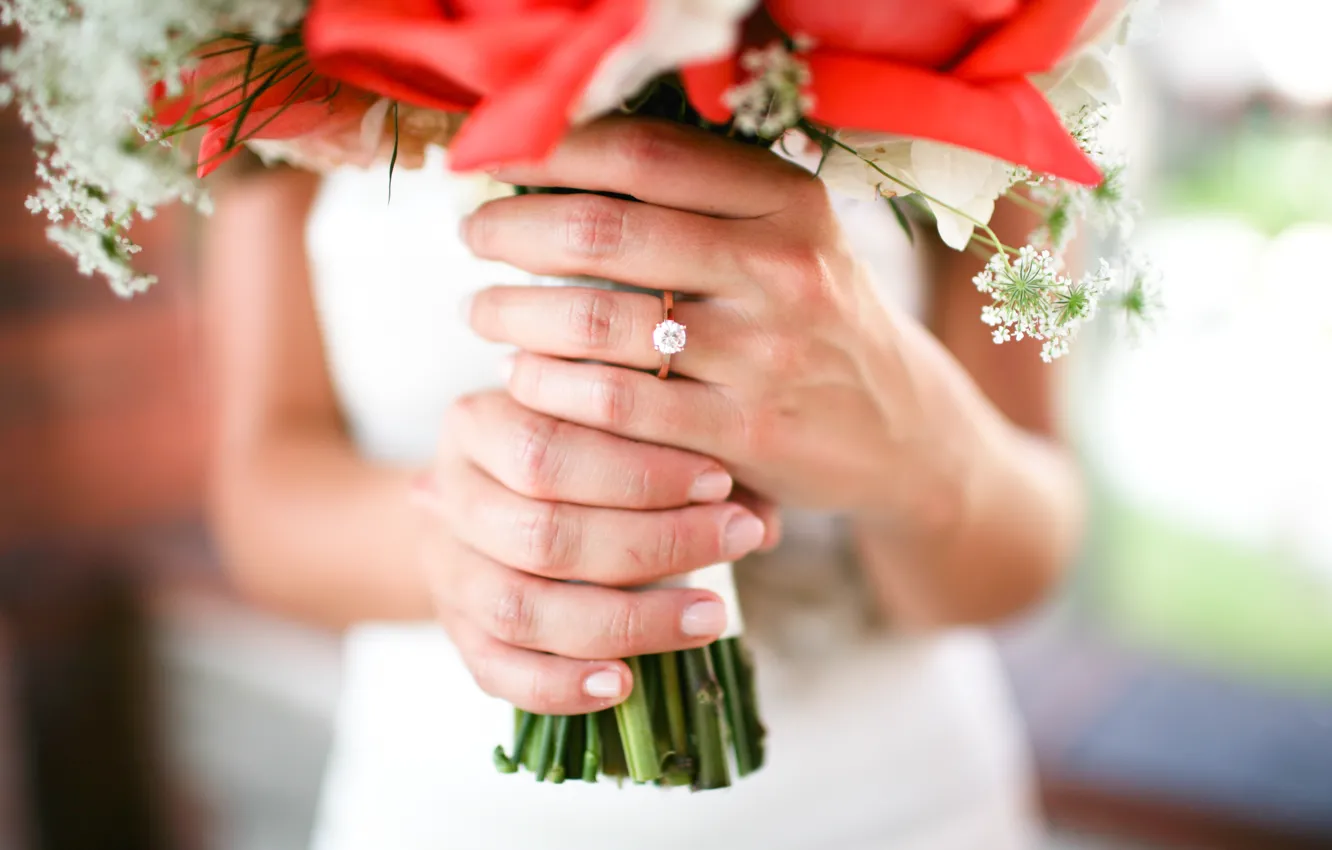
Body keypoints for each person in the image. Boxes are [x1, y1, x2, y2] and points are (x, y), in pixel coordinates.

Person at [201, 118, 1083, 850]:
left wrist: (917, 446)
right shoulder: (260, 40)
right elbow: (260, 492)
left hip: (892, 807)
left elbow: (1031, 543)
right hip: (448, 810)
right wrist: (460, 537)